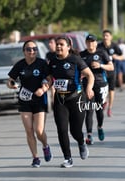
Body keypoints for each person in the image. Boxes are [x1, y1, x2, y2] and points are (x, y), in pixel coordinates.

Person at [48, 35, 94, 168]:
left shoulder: (75, 60)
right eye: (57, 44)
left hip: (76, 98)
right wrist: (47, 83)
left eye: (61, 44)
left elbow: (90, 75)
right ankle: (67, 158)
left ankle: (81, 142)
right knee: (62, 129)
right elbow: (51, 77)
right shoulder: (52, 61)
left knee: (75, 130)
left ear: (68, 47)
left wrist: (89, 88)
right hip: (60, 100)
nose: (58, 47)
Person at [7, 40, 52, 168]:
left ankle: (45, 146)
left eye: (34, 49)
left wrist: (43, 89)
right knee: (29, 130)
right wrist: (11, 85)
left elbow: (50, 79)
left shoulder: (42, 63)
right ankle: (36, 158)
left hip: (39, 100)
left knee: (39, 130)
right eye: (28, 49)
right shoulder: (20, 65)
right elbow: (10, 80)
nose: (32, 51)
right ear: (24, 51)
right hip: (24, 100)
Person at [80, 34, 114, 144]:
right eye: (88, 42)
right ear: (86, 43)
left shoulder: (101, 53)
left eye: (92, 41)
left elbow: (111, 67)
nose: (90, 44)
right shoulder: (82, 55)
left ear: (95, 43)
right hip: (87, 85)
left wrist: (101, 66)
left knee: (99, 109)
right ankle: (89, 135)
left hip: (99, 83)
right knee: (88, 109)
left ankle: (100, 127)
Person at [97, 29, 123, 117]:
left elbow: (122, 56)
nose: (105, 37)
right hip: (101, 71)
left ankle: (110, 108)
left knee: (111, 90)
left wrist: (117, 57)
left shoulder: (114, 46)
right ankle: (104, 102)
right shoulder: (99, 46)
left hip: (112, 71)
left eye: (107, 36)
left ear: (111, 37)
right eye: (104, 36)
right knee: (103, 89)